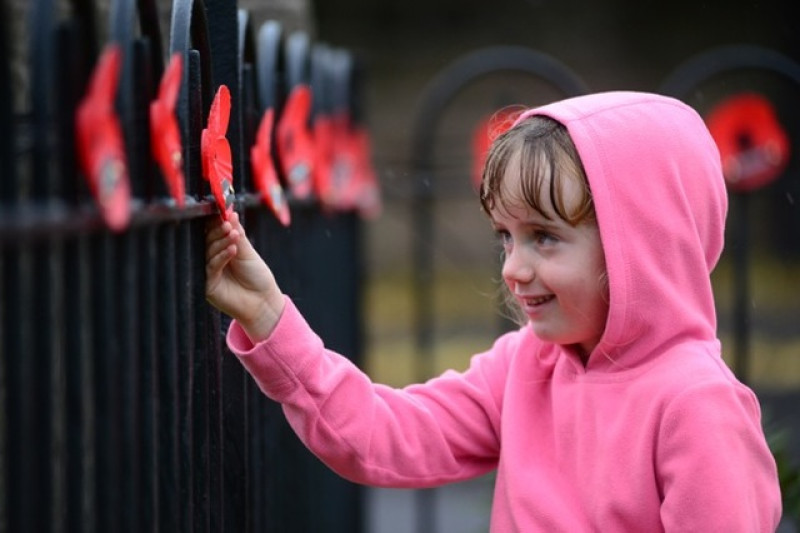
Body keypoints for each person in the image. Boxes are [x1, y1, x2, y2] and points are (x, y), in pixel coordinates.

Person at [205, 91, 782, 530]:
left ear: (642, 244)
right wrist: (268, 315)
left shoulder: (697, 406)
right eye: (506, 237)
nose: (513, 267)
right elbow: (383, 436)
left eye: (544, 237)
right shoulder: (526, 365)